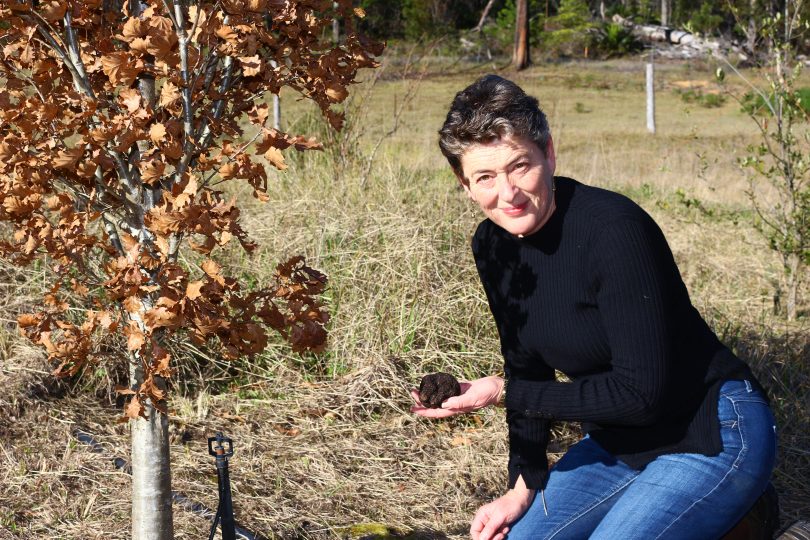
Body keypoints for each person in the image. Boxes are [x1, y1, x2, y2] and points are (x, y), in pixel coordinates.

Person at [410, 75, 777, 540]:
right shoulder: (491, 245)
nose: (508, 193)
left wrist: (500, 393)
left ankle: (745, 516)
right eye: (484, 177)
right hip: (618, 439)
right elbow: (526, 366)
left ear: (549, 153)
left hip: (712, 428)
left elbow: (641, 394)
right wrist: (523, 484)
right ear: (465, 185)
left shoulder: (614, 230)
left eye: (519, 165)